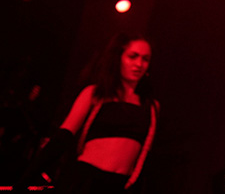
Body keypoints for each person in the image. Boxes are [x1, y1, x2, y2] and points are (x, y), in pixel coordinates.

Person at [20, 33, 158, 193]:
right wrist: (23, 182)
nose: (139, 64)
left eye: (145, 59)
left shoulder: (151, 106)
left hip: (121, 184)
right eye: (132, 56)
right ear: (118, 57)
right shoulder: (95, 94)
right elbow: (62, 138)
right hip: (86, 180)